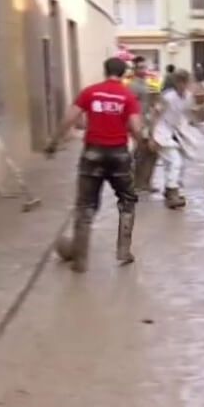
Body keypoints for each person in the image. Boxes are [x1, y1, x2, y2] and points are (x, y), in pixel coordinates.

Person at [45, 57, 144, 272]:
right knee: (127, 202)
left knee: (85, 207)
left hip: (92, 154)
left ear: (104, 70)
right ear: (124, 73)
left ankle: (80, 261)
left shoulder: (90, 92)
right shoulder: (128, 96)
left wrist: (54, 142)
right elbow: (136, 127)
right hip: (119, 155)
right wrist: (141, 145)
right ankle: (124, 251)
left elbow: (69, 118)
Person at [153, 69, 202, 209]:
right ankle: (172, 191)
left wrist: (198, 120)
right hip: (162, 131)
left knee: (176, 163)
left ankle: (170, 190)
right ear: (176, 83)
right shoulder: (167, 97)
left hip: (177, 131)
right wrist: (152, 136)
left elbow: (188, 113)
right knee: (175, 161)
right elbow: (156, 115)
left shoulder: (188, 97)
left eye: (186, 82)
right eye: (181, 82)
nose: (184, 85)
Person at [128, 56, 160, 193]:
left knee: (149, 152)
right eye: (140, 67)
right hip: (139, 122)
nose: (143, 70)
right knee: (143, 152)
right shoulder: (133, 85)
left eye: (144, 67)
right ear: (134, 69)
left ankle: (144, 182)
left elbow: (151, 102)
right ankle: (139, 183)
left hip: (147, 120)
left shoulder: (147, 83)